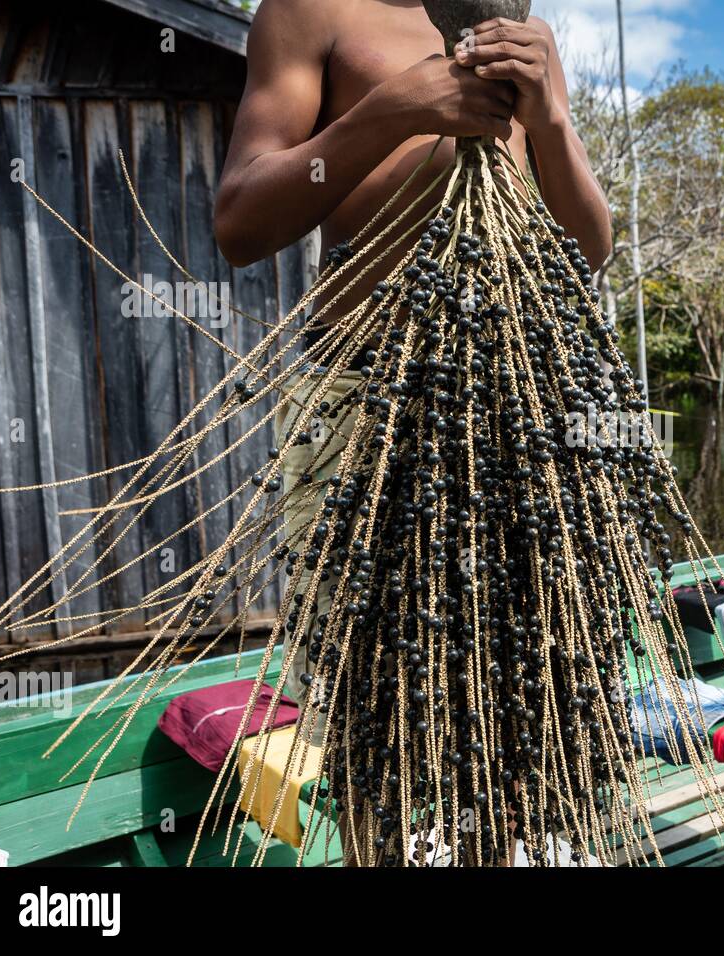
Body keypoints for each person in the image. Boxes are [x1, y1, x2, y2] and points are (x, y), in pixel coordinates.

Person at [212, 0, 612, 866]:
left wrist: (548, 118)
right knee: (372, 721)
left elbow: (588, 250)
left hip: (514, 412)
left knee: (518, 711)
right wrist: (393, 110)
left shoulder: (520, 33)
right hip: (363, 412)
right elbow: (240, 221)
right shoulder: (313, 11)